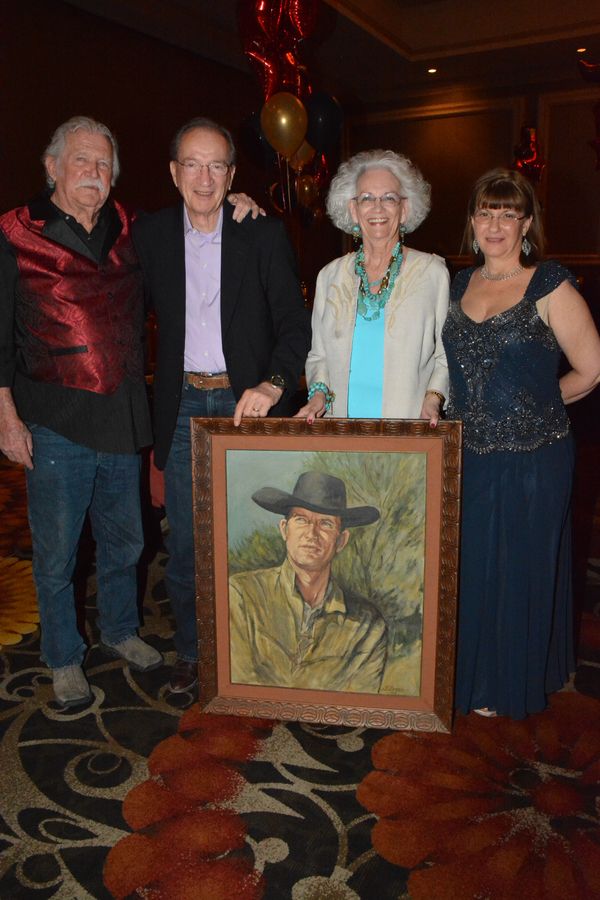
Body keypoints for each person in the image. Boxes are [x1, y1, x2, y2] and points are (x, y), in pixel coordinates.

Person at [133, 117, 311, 695]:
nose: (204, 177)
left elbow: (294, 328)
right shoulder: (151, 235)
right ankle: (194, 653)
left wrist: (273, 384)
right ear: (173, 172)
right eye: (192, 163)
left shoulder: (260, 232)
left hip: (247, 404)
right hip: (183, 403)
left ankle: (264, 655)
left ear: (233, 174)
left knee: (260, 536)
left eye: (217, 165)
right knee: (186, 541)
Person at [0, 116, 162, 708]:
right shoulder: (16, 231)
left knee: (124, 542)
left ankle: (120, 630)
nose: (94, 173)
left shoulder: (132, 228)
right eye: (81, 161)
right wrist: (6, 417)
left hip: (121, 413)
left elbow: (196, 233)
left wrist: (236, 202)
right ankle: (63, 657)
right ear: (52, 167)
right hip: (54, 417)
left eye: (103, 164)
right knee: (57, 553)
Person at [443, 167, 600, 719]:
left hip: (535, 456)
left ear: (527, 223)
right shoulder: (458, 284)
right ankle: (473, 673)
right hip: (468, 453)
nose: (496, 224)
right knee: (472, 564)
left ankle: (506, 683)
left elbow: (592, 370)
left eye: (508, 213)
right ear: (471, 221)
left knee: (519, 566)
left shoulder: (549, 283)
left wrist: (535, 407)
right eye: (486, 211)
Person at [296, 149, 449, 424]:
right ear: (353, 210)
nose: (377, 208)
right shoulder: (329, 276)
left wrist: (433, 398)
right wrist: (318, 395)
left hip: (406, 429)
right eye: (367, 198)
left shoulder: (432, 273)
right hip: (342, 432)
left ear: (405, 209)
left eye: (389, 198)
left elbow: (445, 355)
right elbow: (318, 355)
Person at [229, 471, 387, 692]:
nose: (312, 534)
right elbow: (238, 684)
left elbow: (360, 700)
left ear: (341, 541)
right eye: (301, 519)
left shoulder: (368, 625)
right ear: (285, 529)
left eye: (326, 524)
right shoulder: (240, 594)